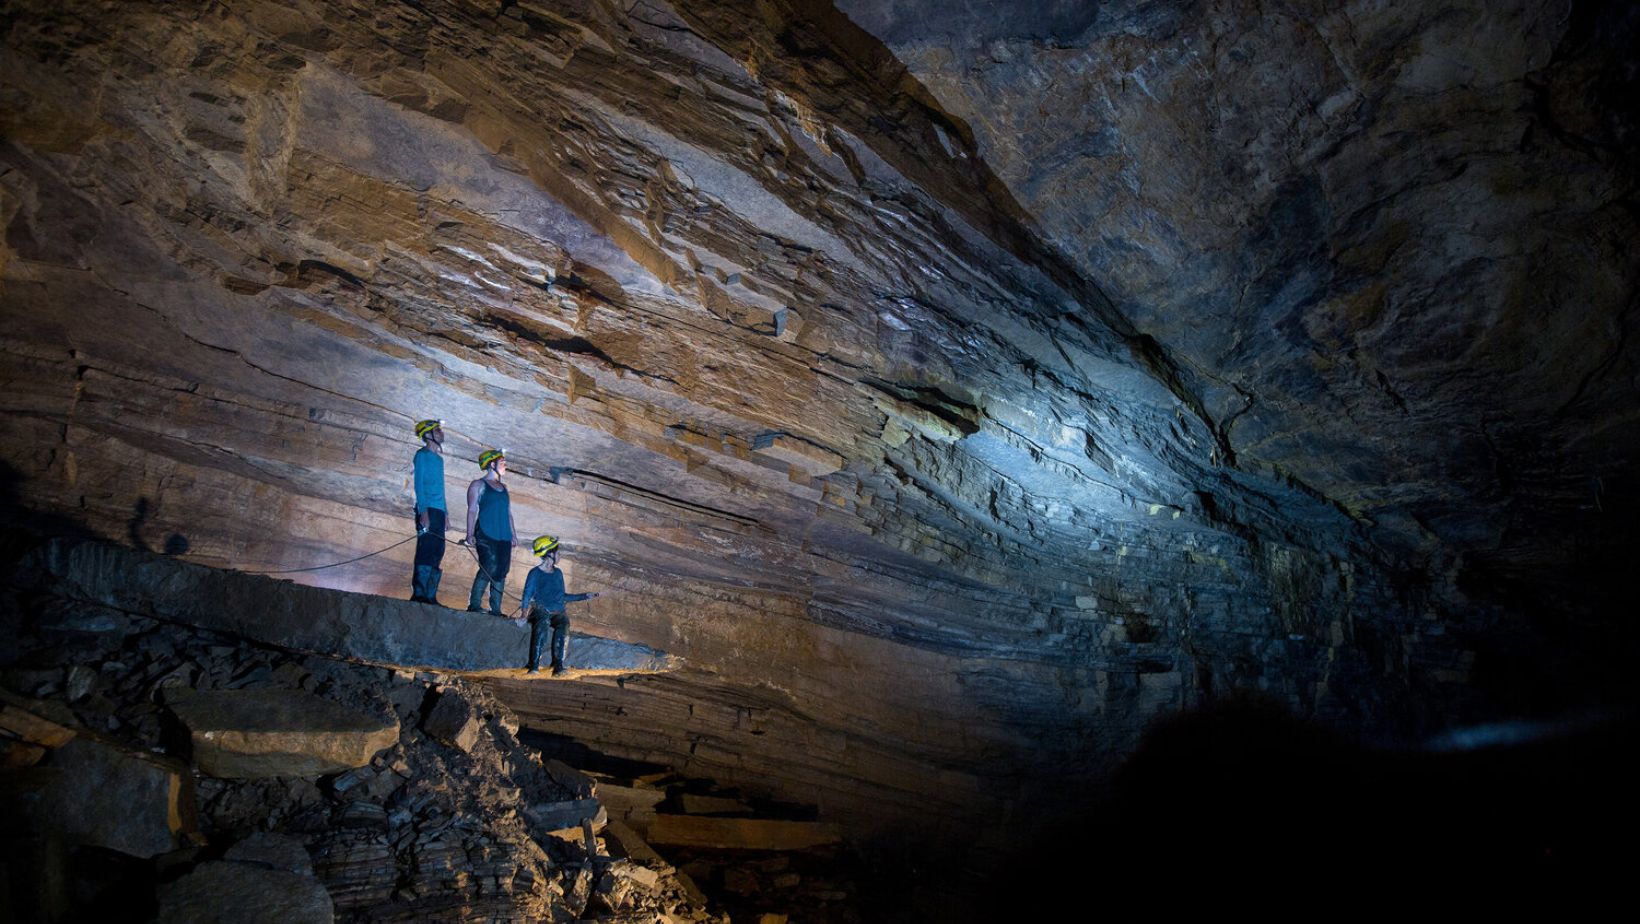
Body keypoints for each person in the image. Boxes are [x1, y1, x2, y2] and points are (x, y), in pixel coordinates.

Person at [518, 535, 601, 675]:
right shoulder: (535, 573)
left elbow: (562, 596)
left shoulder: (558, 573)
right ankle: (534, 665)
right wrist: (524, 615)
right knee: (543, 621)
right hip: (541, 610)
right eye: (557, 552)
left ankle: (558, 666)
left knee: (564, 623)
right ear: (549, 554)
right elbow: (526, 595)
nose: (559, 554)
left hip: (557, 612)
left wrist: (585, 595)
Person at [463, 448, 521, 616]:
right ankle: (474, 604)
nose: (505, 466)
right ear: (492, 464)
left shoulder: (504, 488)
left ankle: (495, 608)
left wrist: (514, 534)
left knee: (502, 569)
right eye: (502, 463)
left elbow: (508, 513)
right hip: (486, 532)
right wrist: (469, 533)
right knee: (488, 566)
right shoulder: (478, 485)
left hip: (504, 534)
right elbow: (472, 509)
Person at [410, 419, 447, 604]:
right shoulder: (422, 455)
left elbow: (441, 488)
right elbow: (419, 485)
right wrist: (423, 512)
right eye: (438, 430)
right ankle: (419, 593)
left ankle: (431, 595)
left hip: (439, 511)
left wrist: (446, 513)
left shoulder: (439, 460)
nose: (441, 433)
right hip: (428, 509)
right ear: (428, 434)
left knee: (438, 550)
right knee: (425, 550)